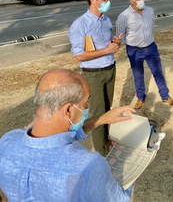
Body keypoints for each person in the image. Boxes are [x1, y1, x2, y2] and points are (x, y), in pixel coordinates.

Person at [0, 68, 135, 201]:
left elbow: (53, 142)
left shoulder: (7, 141)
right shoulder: (89, 167)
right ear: (69, 110)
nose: (86, 108)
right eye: (85, 104)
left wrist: (101, 120)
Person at [68, 0, 122, 156]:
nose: (108, 1)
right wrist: (107, 50)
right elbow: (79, 56)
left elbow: (105, 46)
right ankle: (102, 151)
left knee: (107, 108)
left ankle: (105, 140)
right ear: (93, 0)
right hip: (93, 74)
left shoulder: (105, 20)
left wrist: (114, 44)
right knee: (98, 113)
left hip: (110, 70)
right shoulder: (80, 25)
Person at [116, 0, 173, 110]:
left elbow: (151, 27)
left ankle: (165, 95)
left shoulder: (149, 11)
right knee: (138, 74)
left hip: (151, 47)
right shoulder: (124, 16)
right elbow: (120, 36)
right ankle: (140, 97)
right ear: (131, 1)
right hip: (134, 50)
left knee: (158, 72)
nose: (142, 1)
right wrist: (129, 44)